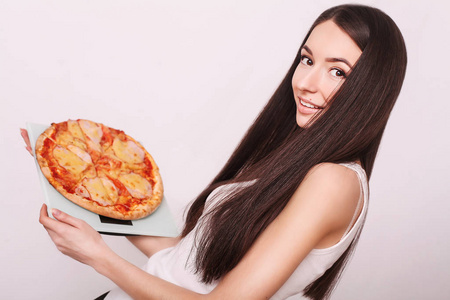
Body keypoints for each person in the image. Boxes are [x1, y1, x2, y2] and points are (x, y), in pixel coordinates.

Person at [22, 4, 407, 300]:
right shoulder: (295, 158)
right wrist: (92, 182)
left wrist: (99, 258)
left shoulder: (334, 181)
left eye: (337, 71)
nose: (306, 82)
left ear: (371, 89)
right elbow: (188, 263)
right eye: (307, 60)